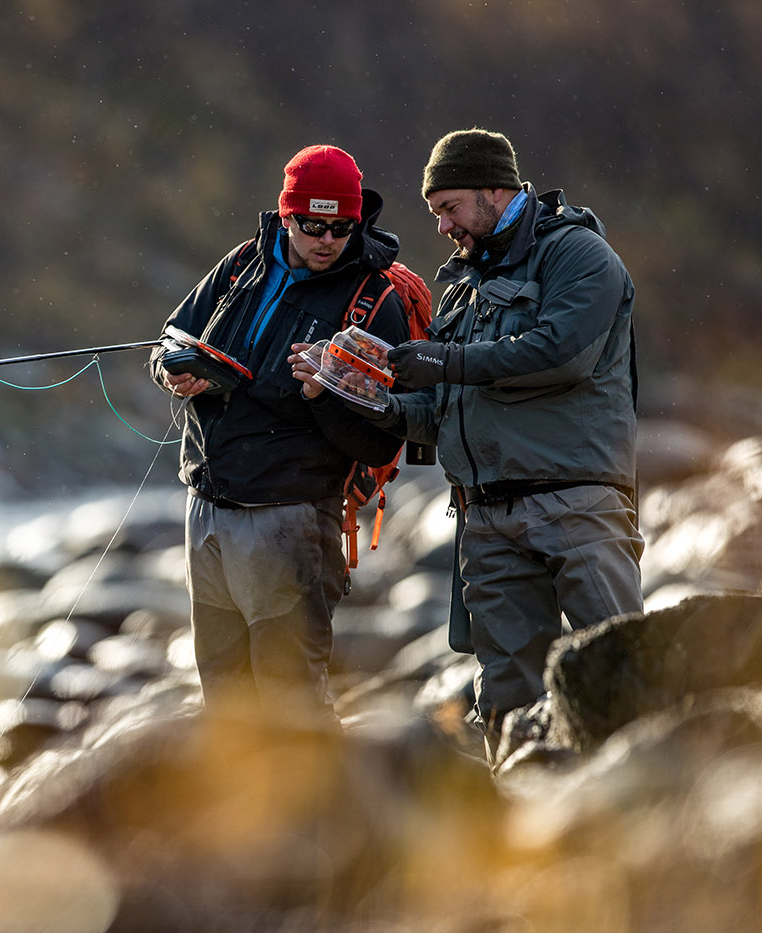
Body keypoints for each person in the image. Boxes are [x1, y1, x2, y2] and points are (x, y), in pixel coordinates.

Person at [299, 128, 643, 761]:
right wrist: (365, 395)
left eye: (449, 207)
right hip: (484, 522)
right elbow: (441, 411)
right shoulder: (459, 284)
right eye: (435, 213)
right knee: (506, 696)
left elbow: (559, 354)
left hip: (577, 506)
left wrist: (439, 359)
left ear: (494, 190)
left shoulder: (578, 255)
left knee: (619, 668)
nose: (443, 226)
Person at [149, 144, 409, 730]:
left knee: (290, 696)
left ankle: (322, 820)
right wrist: (174, 370)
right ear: (286, 216)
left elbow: (381, 442)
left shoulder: (375, 303)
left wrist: (323, 395)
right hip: (206, 510)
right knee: (223, 692)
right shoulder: (243, 263)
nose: (327, 239)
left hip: (292, 518)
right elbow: (171, 337)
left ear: (358, 220)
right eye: (312, 225)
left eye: (341, 227)